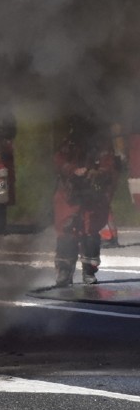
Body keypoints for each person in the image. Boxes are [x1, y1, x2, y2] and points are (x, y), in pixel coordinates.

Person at [52, 118, 120, 287]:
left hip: (93, 195)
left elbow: (109, 167)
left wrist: (94, 173)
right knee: (67, 230)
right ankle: (64, 271)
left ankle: (89, 270)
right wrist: (73, 171)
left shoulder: (102, 145)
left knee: (90, 233)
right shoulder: (68, 143)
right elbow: (59, 162)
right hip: (71, 193)